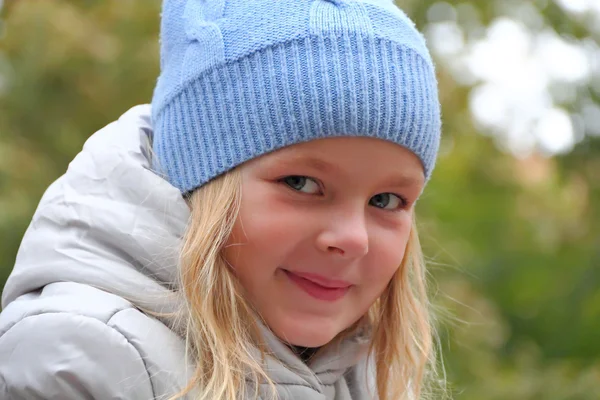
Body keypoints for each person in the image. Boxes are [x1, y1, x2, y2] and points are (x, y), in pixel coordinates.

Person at [0, 0, 443, 399]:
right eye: (302, 184)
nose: (352, 238)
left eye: (385, 200)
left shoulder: (364, 372)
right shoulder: (85, 358)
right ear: (199, 177)